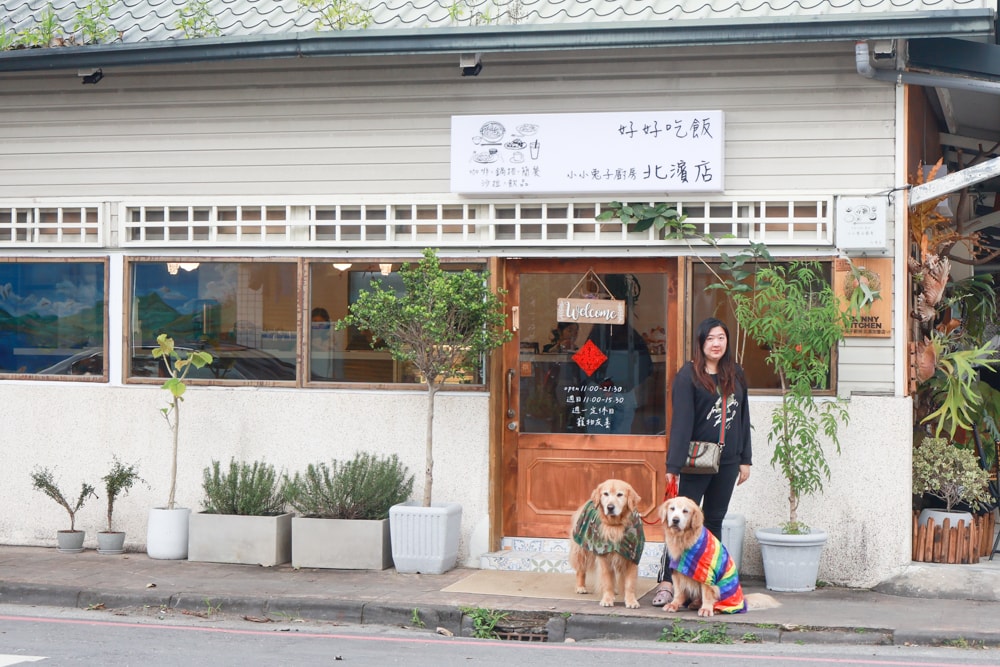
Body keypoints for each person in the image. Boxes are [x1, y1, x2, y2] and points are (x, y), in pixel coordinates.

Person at [651, 316, 752, 607]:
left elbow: (744, 419)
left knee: (714, 522)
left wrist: (746, 459)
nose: (716, 343)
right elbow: (681, 423)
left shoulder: (737, 373)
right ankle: (667, 583)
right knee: (677, 524)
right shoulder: (688, 376)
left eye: (721, 337)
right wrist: (673, 467)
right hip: (695, 461)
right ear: (701, 343)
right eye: (710, 338)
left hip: (728, 460)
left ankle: (707, 586)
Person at [581, 274, 653, 434]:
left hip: (602, 394)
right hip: (625, 394)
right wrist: (624, 386)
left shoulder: (599, 332)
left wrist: (606, 385)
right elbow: (646, 368)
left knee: (597, 446)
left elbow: (586, 366)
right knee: (621, 447)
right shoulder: (631, 334)